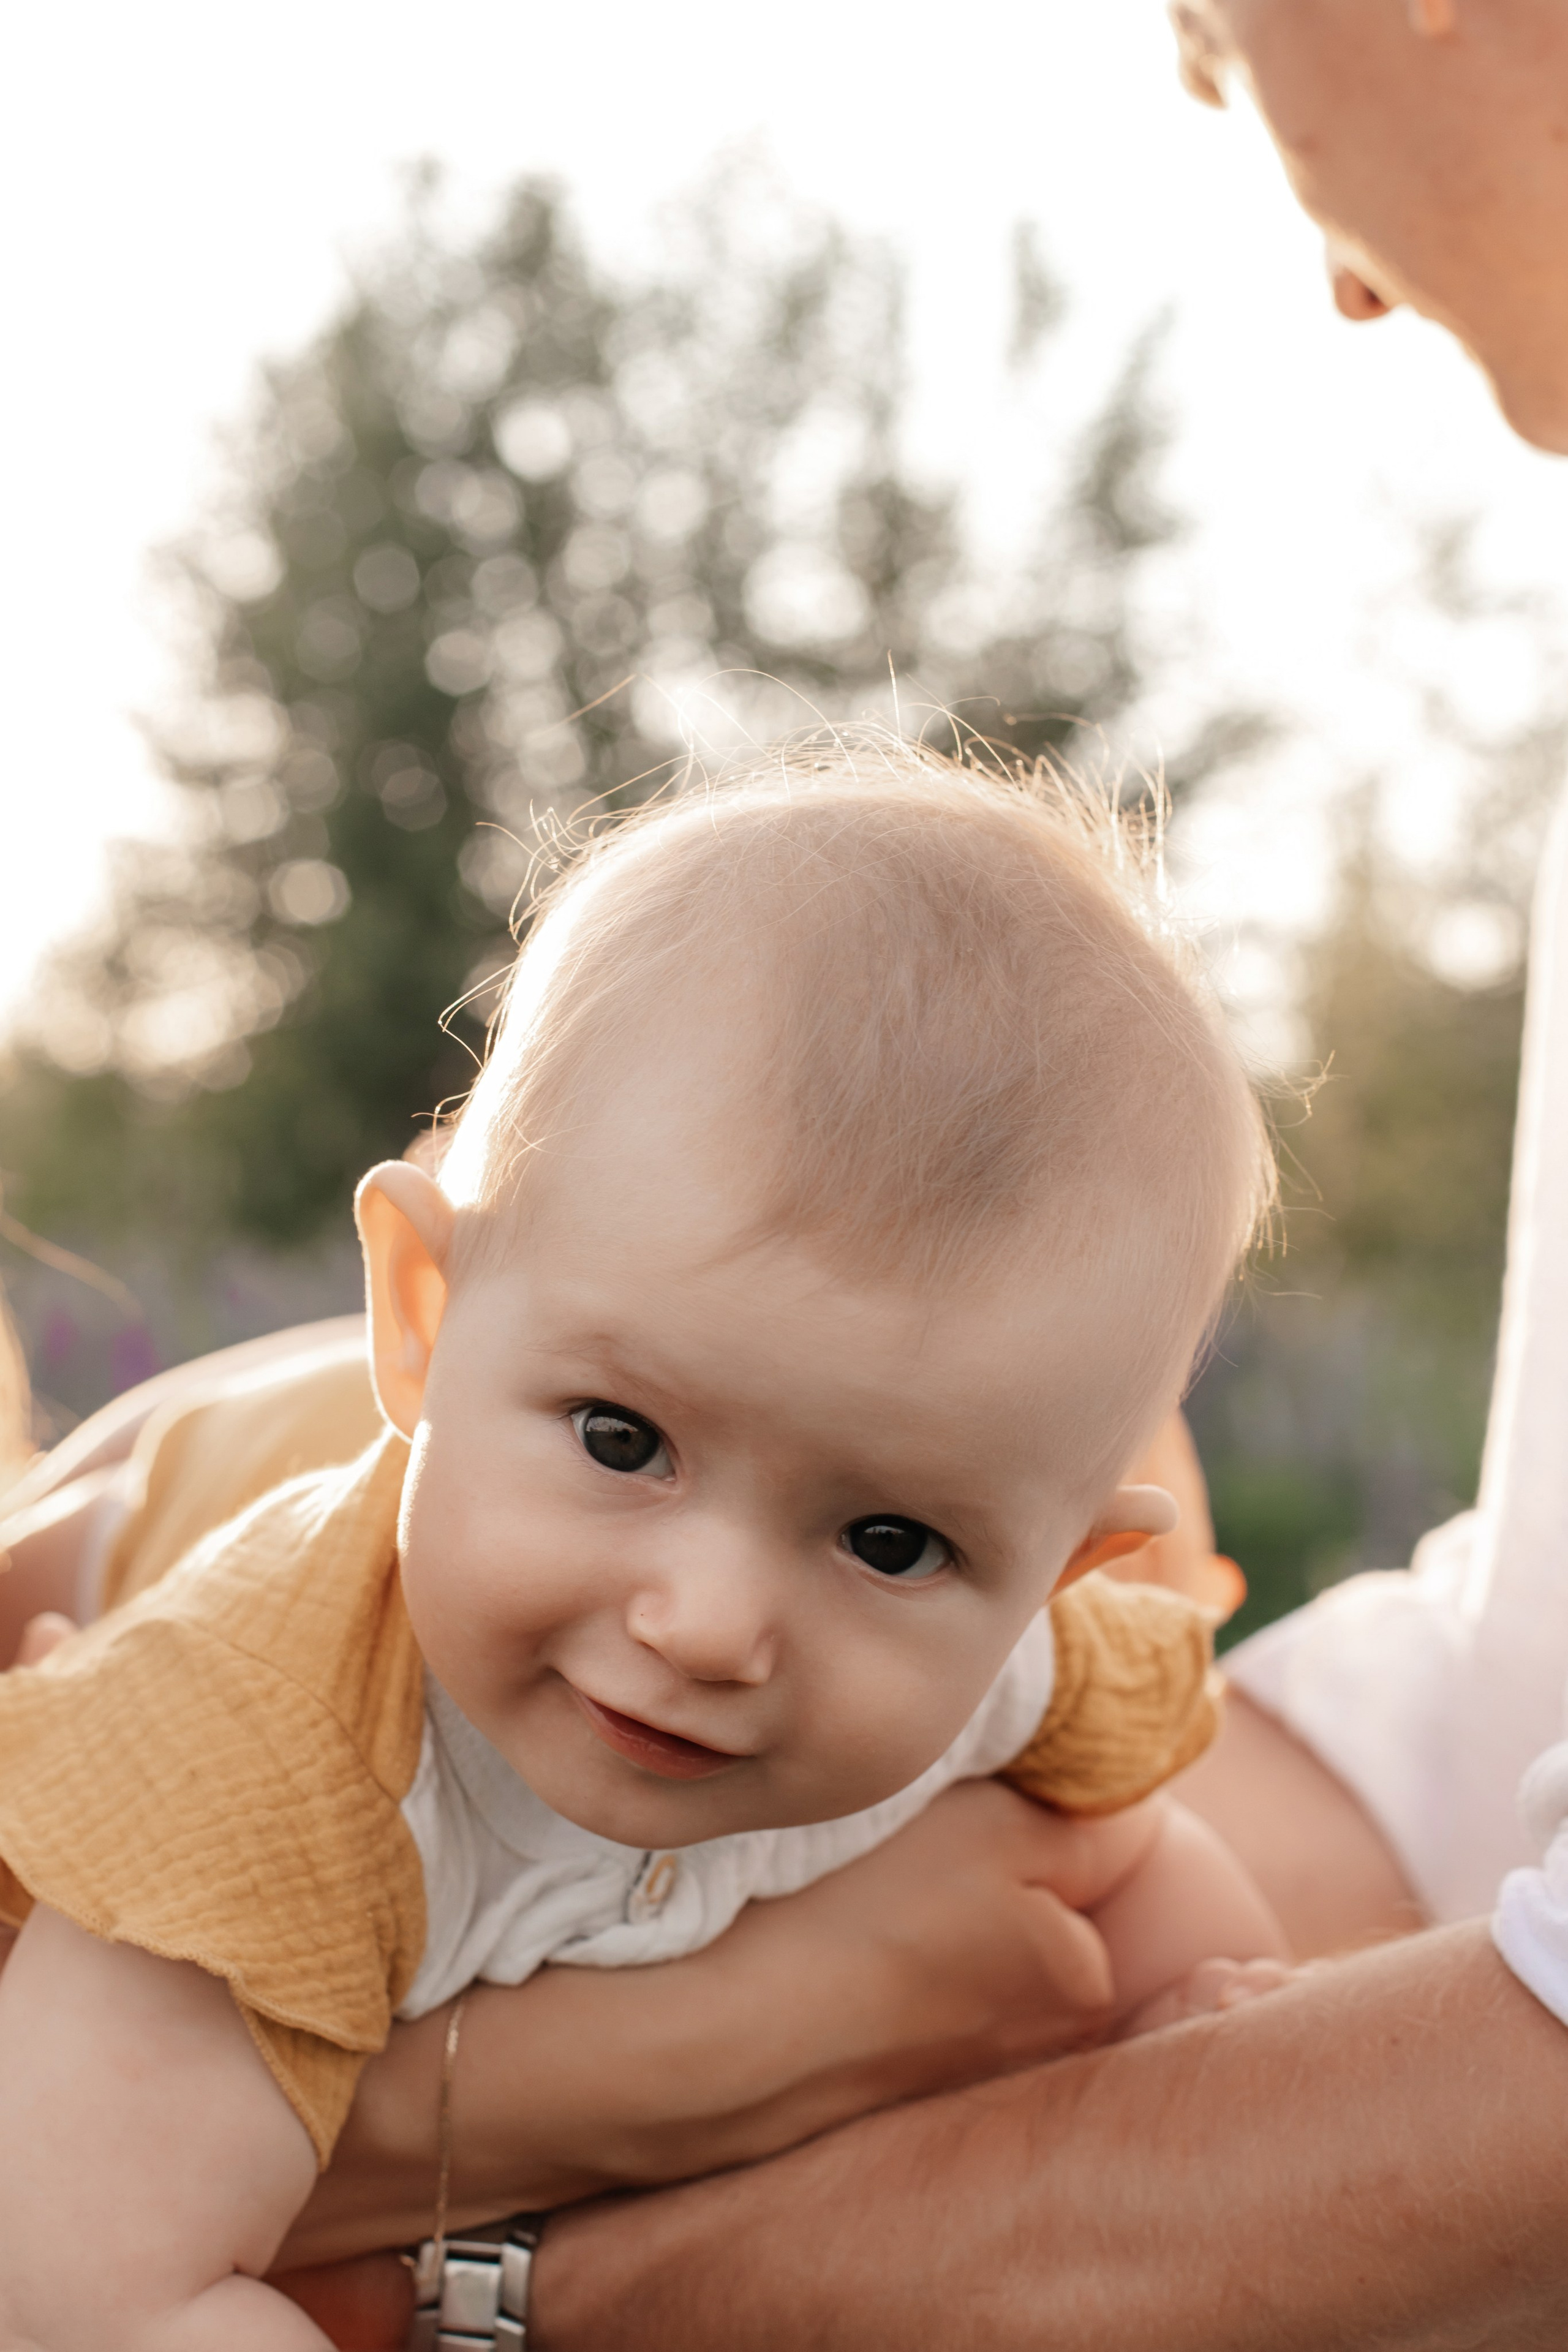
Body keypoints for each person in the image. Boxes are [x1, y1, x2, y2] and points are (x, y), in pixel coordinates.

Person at [0, 745, 1289, 2350]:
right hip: (144, 1569)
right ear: (425, 1317)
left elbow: (1143, 1875)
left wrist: (1206, 2017)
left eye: (887, 1541)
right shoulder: (255, 1774)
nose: (708, 1624)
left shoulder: (1013, 1676)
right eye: (625, 1441)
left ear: (1055, 1578)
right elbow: (86, 2290)